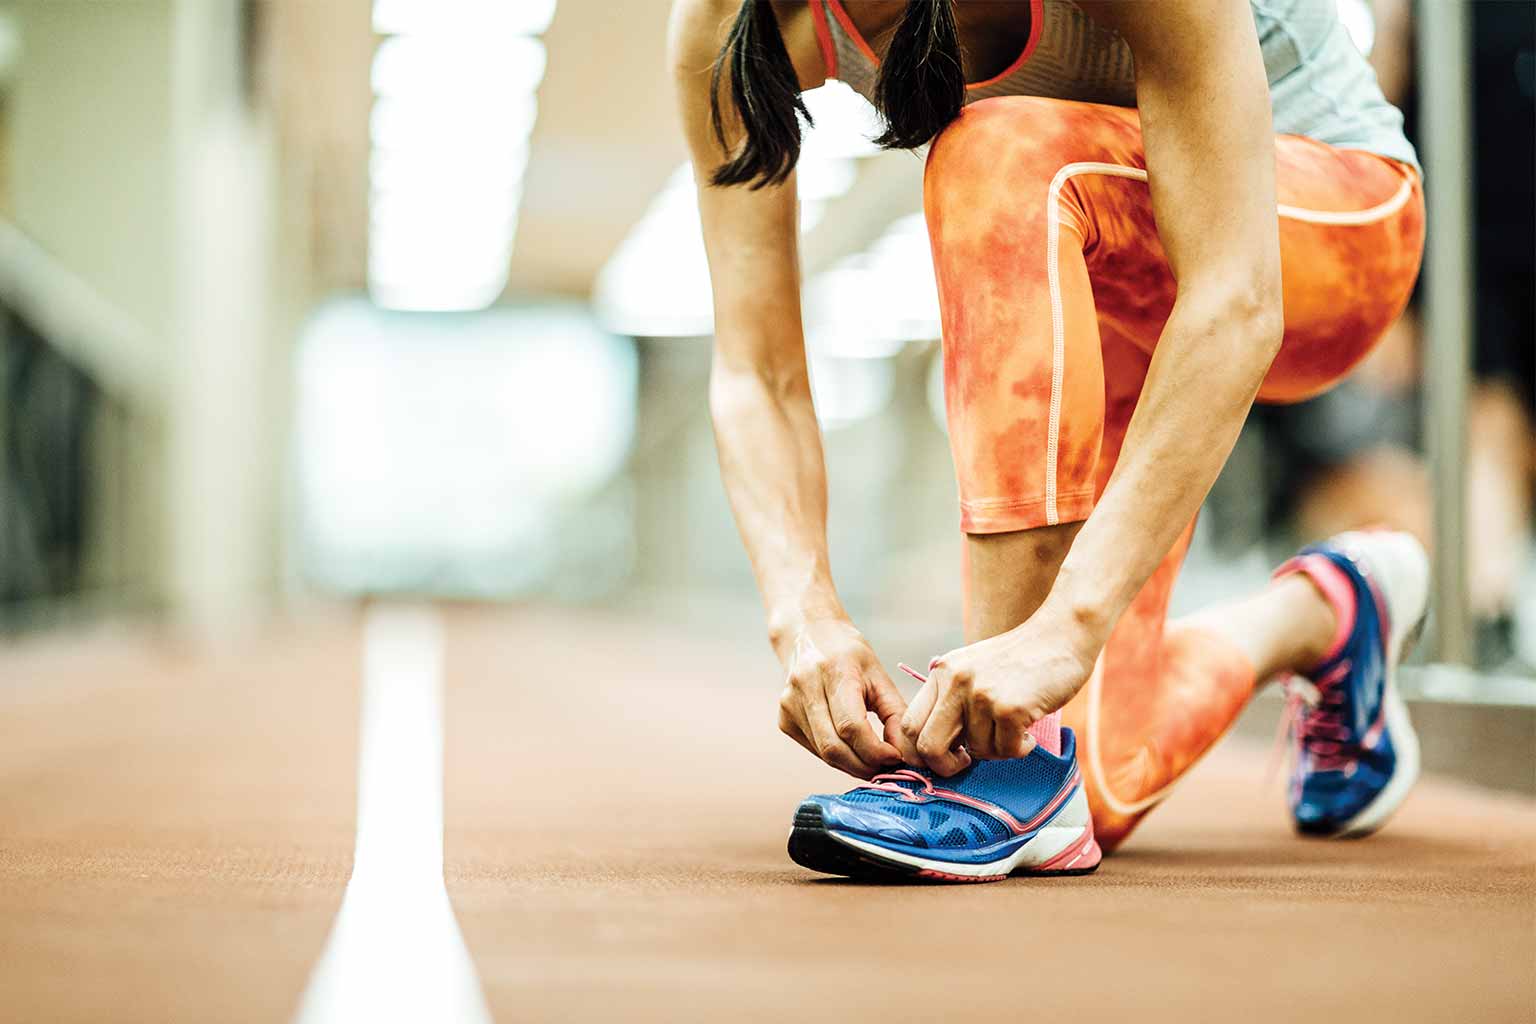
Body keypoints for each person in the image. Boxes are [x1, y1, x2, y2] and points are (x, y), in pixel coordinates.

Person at [669, 0, 1427, 882]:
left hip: (1326, 233)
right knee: (1089, 775)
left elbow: (1236, 298)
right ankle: (1332, 611)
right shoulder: (728, 26)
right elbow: (756, 370)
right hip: (1113, 265)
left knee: (996, 155)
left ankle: (999, 775)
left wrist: (1070, 626)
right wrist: (806, 619)